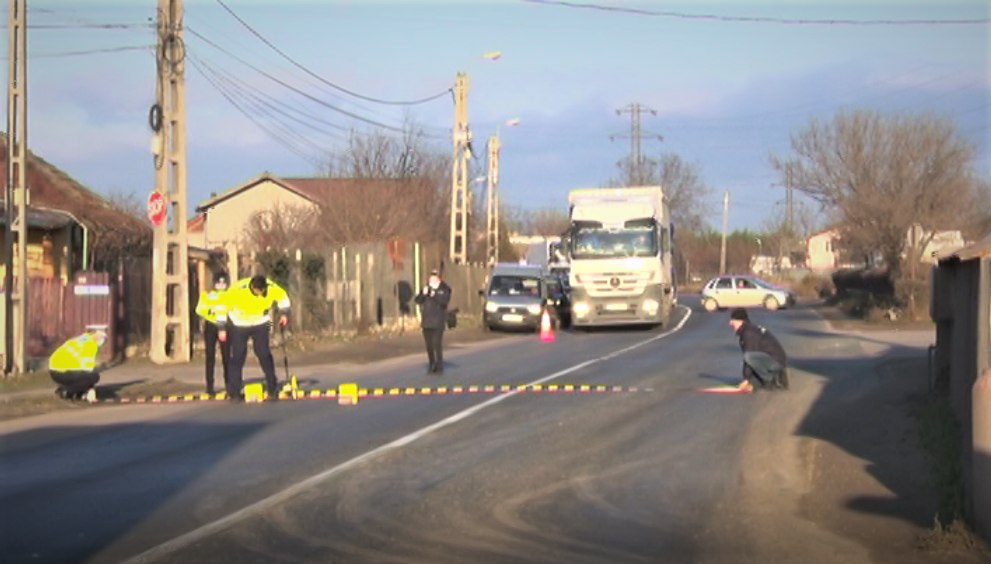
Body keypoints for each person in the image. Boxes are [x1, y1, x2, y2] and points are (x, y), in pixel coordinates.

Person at [217, 274, 291, 402]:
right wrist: (222, 328)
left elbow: (283, 298)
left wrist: (284, 314)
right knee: (238, 356)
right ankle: (234, 391)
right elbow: (222, 308)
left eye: (263, 291)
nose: (261, 294)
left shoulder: (271, 287)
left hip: (262, 322)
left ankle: (272, 386)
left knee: (263, 352)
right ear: (252, 287)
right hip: (239, 323)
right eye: (258, 292)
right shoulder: (238, 290)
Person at [728, 307, 789, 392]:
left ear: (740, 321)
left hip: (776, 362)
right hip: (773, 360)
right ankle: (773, 378)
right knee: (755, 384)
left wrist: (746, 380)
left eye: (733, 321)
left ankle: (769, 379)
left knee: (748, 357)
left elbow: (750, 356)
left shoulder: (749, 333)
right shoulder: (749, 329)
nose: (730, 323)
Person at [195, 271, 231, 395]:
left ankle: (229, 385)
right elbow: (199, 310)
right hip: (211, 326)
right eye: (218, 283)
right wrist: (209, 311)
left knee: (227, 356)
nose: (221, 286)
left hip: (225, 327)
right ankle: (209, 386)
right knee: (210, 356)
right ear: (214, 284)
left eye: (223, 283)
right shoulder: (208, 295)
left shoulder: (231, 296)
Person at [49, 327, 108, 402]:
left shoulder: (82, 338)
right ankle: (66, 391)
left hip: (55, 370)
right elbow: (88, 370)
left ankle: (77, 393)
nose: (103, 341)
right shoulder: (90, 345)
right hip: (62, 372)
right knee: (94, 377)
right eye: (102, 337)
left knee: (84, 377)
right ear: (95, 335)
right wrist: (91, 390)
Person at [414, 269, 451, 374]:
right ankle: (432, 363)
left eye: (435, 276)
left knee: (436, 344)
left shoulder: (444, 288)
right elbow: (418, 300)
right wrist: (423, 294)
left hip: (438, 321)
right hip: (427, 321)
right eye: (431, 276)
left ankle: (439, 364)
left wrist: (433, 294)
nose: (432, 279)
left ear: (438, 278)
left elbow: (444, 302)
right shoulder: (426, 288)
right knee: (429, 345)